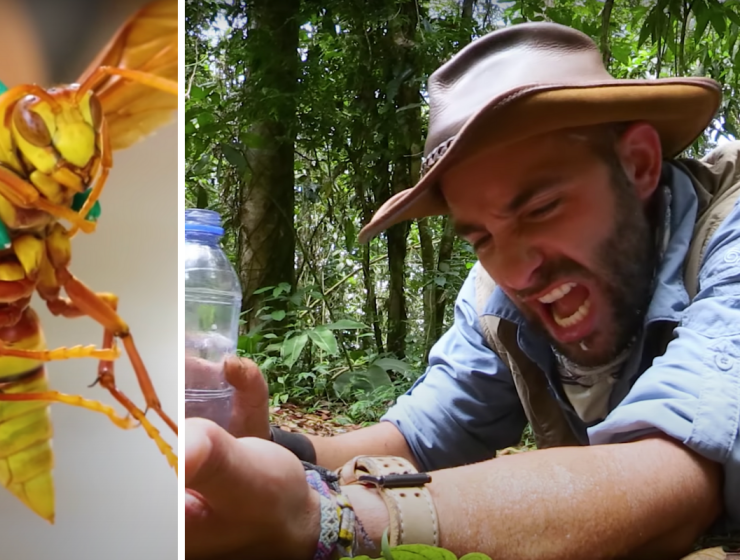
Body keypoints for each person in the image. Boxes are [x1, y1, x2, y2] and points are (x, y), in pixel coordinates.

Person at [185, 21, 740, 560]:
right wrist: (268, 449)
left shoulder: (729, 237)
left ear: (638, 165)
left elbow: (675, 477)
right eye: (481, 237)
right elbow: (420, 438)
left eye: (541, 208)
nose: (517, 272)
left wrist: (332, 521)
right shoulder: (497, 292)